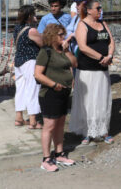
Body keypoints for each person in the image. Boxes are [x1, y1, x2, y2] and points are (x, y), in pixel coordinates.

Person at [70, 0, 115, 144]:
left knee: (102, 99)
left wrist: (109, 56)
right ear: (89, 10)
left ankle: (103, 130)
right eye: (98, 8)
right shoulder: (82, 25)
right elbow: (82, 46)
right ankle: (87, 132)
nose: (100, 10)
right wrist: (100, 57)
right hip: (87, 70)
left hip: (102, 69)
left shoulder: (103, 24)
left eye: (100, 8)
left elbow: (111, 42)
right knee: (88, 101)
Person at [34, 24, 77, 172]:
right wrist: (54, 85)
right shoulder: (46, 52)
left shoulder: (62, 50)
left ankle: (59, 154)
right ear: (51, 36)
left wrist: (67, 51)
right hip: (50, 93)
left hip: (64, 92)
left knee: (60, 123)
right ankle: (46, 159)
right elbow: (38, 74)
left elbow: (74, 63)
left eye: (63, 34)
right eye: (60, 34)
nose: (63, 37)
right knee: (50, 125)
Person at [13, 5, 44, 129]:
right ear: (30, 16)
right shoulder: (31, 31)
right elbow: (42, 44)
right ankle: (33, 121)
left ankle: (19, 118)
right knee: (33, 89)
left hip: (18, 61)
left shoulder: (17, 28)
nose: (36, 17)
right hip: (30, 61)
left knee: (20, 89)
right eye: (34, 14)